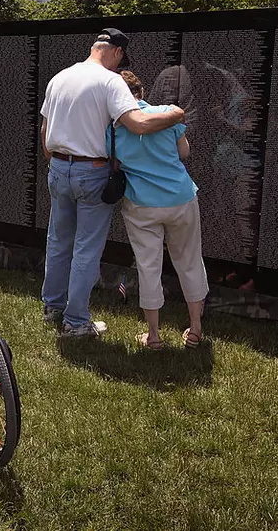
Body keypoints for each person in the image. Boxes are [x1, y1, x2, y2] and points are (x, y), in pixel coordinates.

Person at [39, 28, 185, 338]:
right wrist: (174, 115)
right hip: (91, 171)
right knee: (86, 249)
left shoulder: (60, 78)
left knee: (58, 240)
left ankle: (53, 307)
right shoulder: (110, 81)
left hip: (58, 167)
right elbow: (138, 123)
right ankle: (76, 322)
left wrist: (57, 164)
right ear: (117, 52)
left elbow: (44, 130)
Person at [110, 71, 208, 349]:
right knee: (189, 261)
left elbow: (114, 164)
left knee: (148, 266)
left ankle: (153, 336)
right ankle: (196, 330)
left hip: (141, 204)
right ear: (141, 91)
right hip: (180, 198)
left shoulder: (113, 129)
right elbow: (184, 152)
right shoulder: (167, 114)